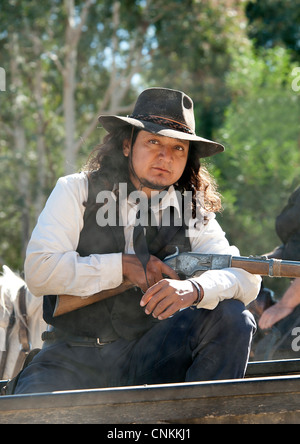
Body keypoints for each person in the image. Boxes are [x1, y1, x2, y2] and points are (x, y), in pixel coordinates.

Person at [14, 87, 260, 394]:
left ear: (187, 159)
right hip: (70, 359)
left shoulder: (192, 209)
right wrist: (123, 268)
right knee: (30, 413)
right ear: (128, 145)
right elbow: (39, 272)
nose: (164, 157)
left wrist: (194, 289)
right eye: (154, 141)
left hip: (150, 357)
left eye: (178, 149)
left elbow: (245, 278)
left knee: (233, 318)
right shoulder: (75, 190)